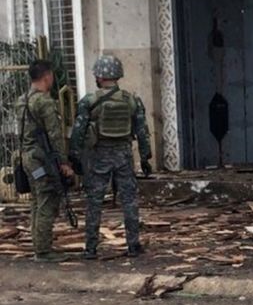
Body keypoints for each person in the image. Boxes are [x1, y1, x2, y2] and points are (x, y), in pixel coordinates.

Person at [69, 55, 152, 259]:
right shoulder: (132, 100)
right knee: (129, 200)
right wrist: (145, 158)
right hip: (123, 155)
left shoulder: (89, 101)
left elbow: (78, 131)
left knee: (94, 201)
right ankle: (133, 245)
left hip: (99, 156)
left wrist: (74, 157)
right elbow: (142, 132)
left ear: (99, 76)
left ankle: (90, 248)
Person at [15, 59, 74, 262]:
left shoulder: (22, 100)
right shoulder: (43, 101)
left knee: (37, 200)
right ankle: (43, 251)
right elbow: (54, 135)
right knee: (47, 199)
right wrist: (64, 162)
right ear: (47, 76)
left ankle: (39, 245)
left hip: (27, 158)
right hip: (41, 159)